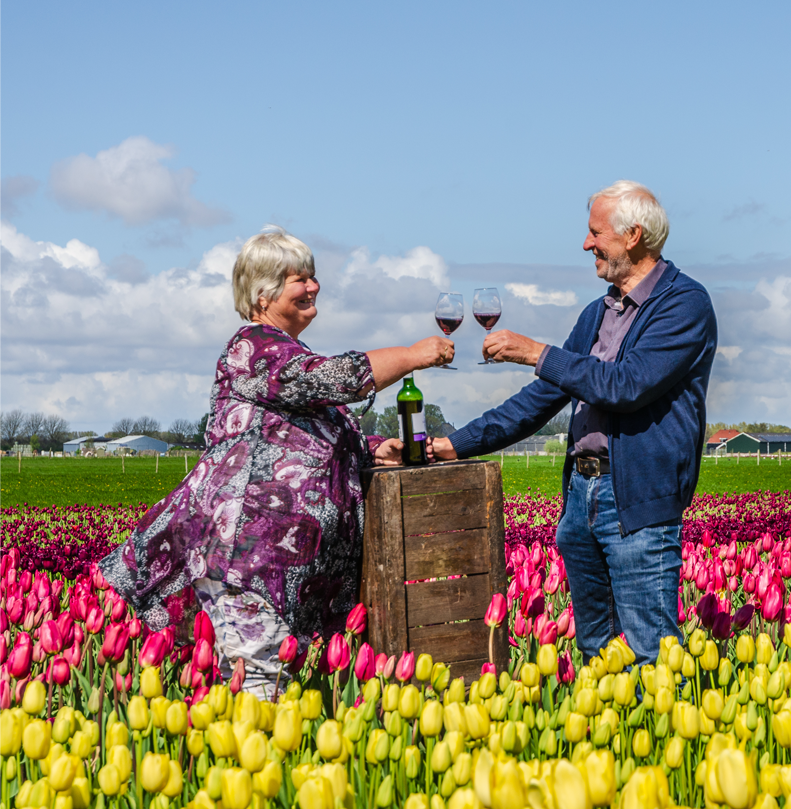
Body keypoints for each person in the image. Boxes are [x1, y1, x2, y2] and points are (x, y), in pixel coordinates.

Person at [99, 226, 454, 697]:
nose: (314, 286)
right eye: (299, 279)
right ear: (264, 294)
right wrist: (410, 356)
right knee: (258, 688)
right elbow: (333, 379)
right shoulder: (252, 349)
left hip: (282, 570)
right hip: (249, 560)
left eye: (312, 276)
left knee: (273, 690)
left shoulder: (287, 353)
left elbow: (297, 439)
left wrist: (372, 449)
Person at [430, 181, 717, 663]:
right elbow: (540, 399)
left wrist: (539, 353)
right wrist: (452, 445)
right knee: (594, 651)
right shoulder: (598, 313)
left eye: (595, 233)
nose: (587, 245)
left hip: (637, 505)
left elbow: (626, 384)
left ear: (633, 237)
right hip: (581, 498)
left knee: (652, 655)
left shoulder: (684, 305)